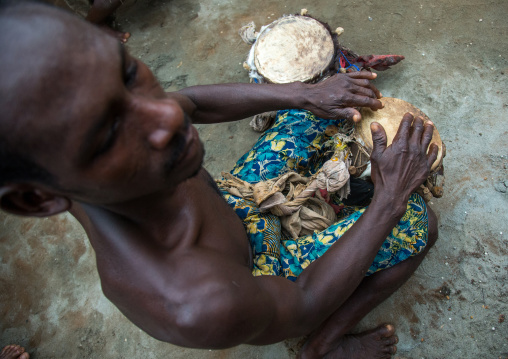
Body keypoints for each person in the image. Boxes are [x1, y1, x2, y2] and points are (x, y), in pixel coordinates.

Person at [0, 1, 439, 358]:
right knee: (420, 220)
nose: (168, 115)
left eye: (129, 74)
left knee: (320, 114)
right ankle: (323, 348)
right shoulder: (197, 302)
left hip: (239, 202)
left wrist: (305, 94)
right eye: (107, 133)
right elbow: (304, 302)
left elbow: (191, 101)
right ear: (37, 199)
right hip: (261, 274)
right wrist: (388, 200)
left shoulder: (103, 149)